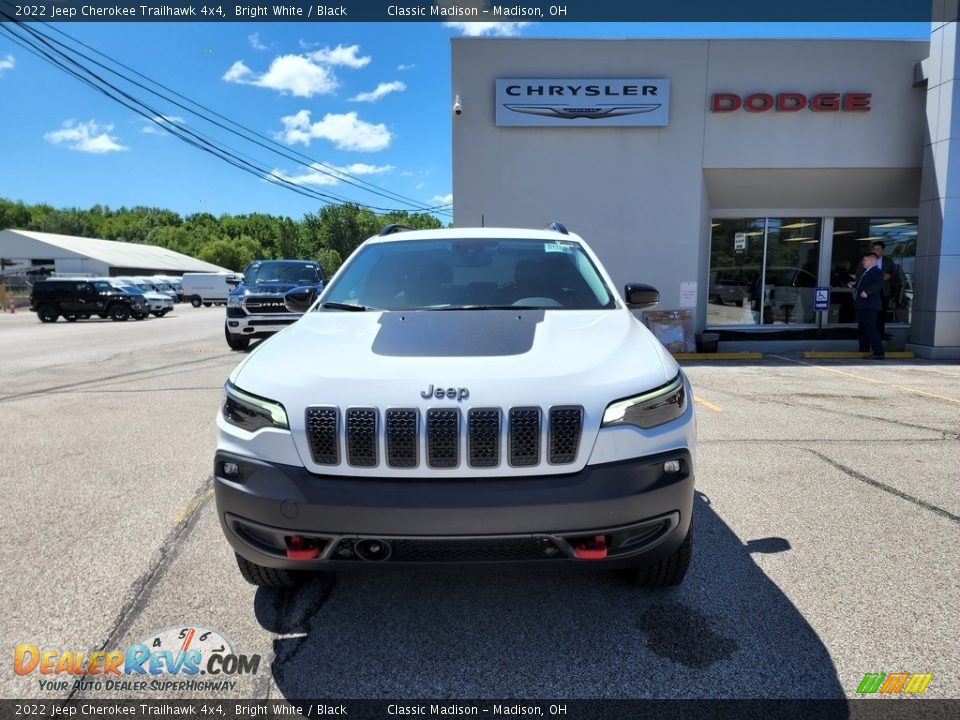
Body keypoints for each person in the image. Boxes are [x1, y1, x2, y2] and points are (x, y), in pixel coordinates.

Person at [854, 252, 885, 359]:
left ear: (872, 260)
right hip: (863, 305)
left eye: (865, 260)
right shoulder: (866, 271)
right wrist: (854, 285)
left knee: (871, 327)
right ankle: (864, 349)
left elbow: (879, 283)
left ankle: (878, 352)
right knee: (863, 328)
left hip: (870, 305)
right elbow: (865, 283)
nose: (863, 262)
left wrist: (867, 291)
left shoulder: (876, 271)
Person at [871, 241, 900, 340]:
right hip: (872, 292)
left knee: (882, 313)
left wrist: (889, 276)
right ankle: (871, 333)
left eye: (878, 249)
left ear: (882, 251)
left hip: (884, 291)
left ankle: (881, 333)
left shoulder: (888, 261)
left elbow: (896, 276)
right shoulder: (867, 260)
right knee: (872, 313)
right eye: (874, 249)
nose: (875, 251)